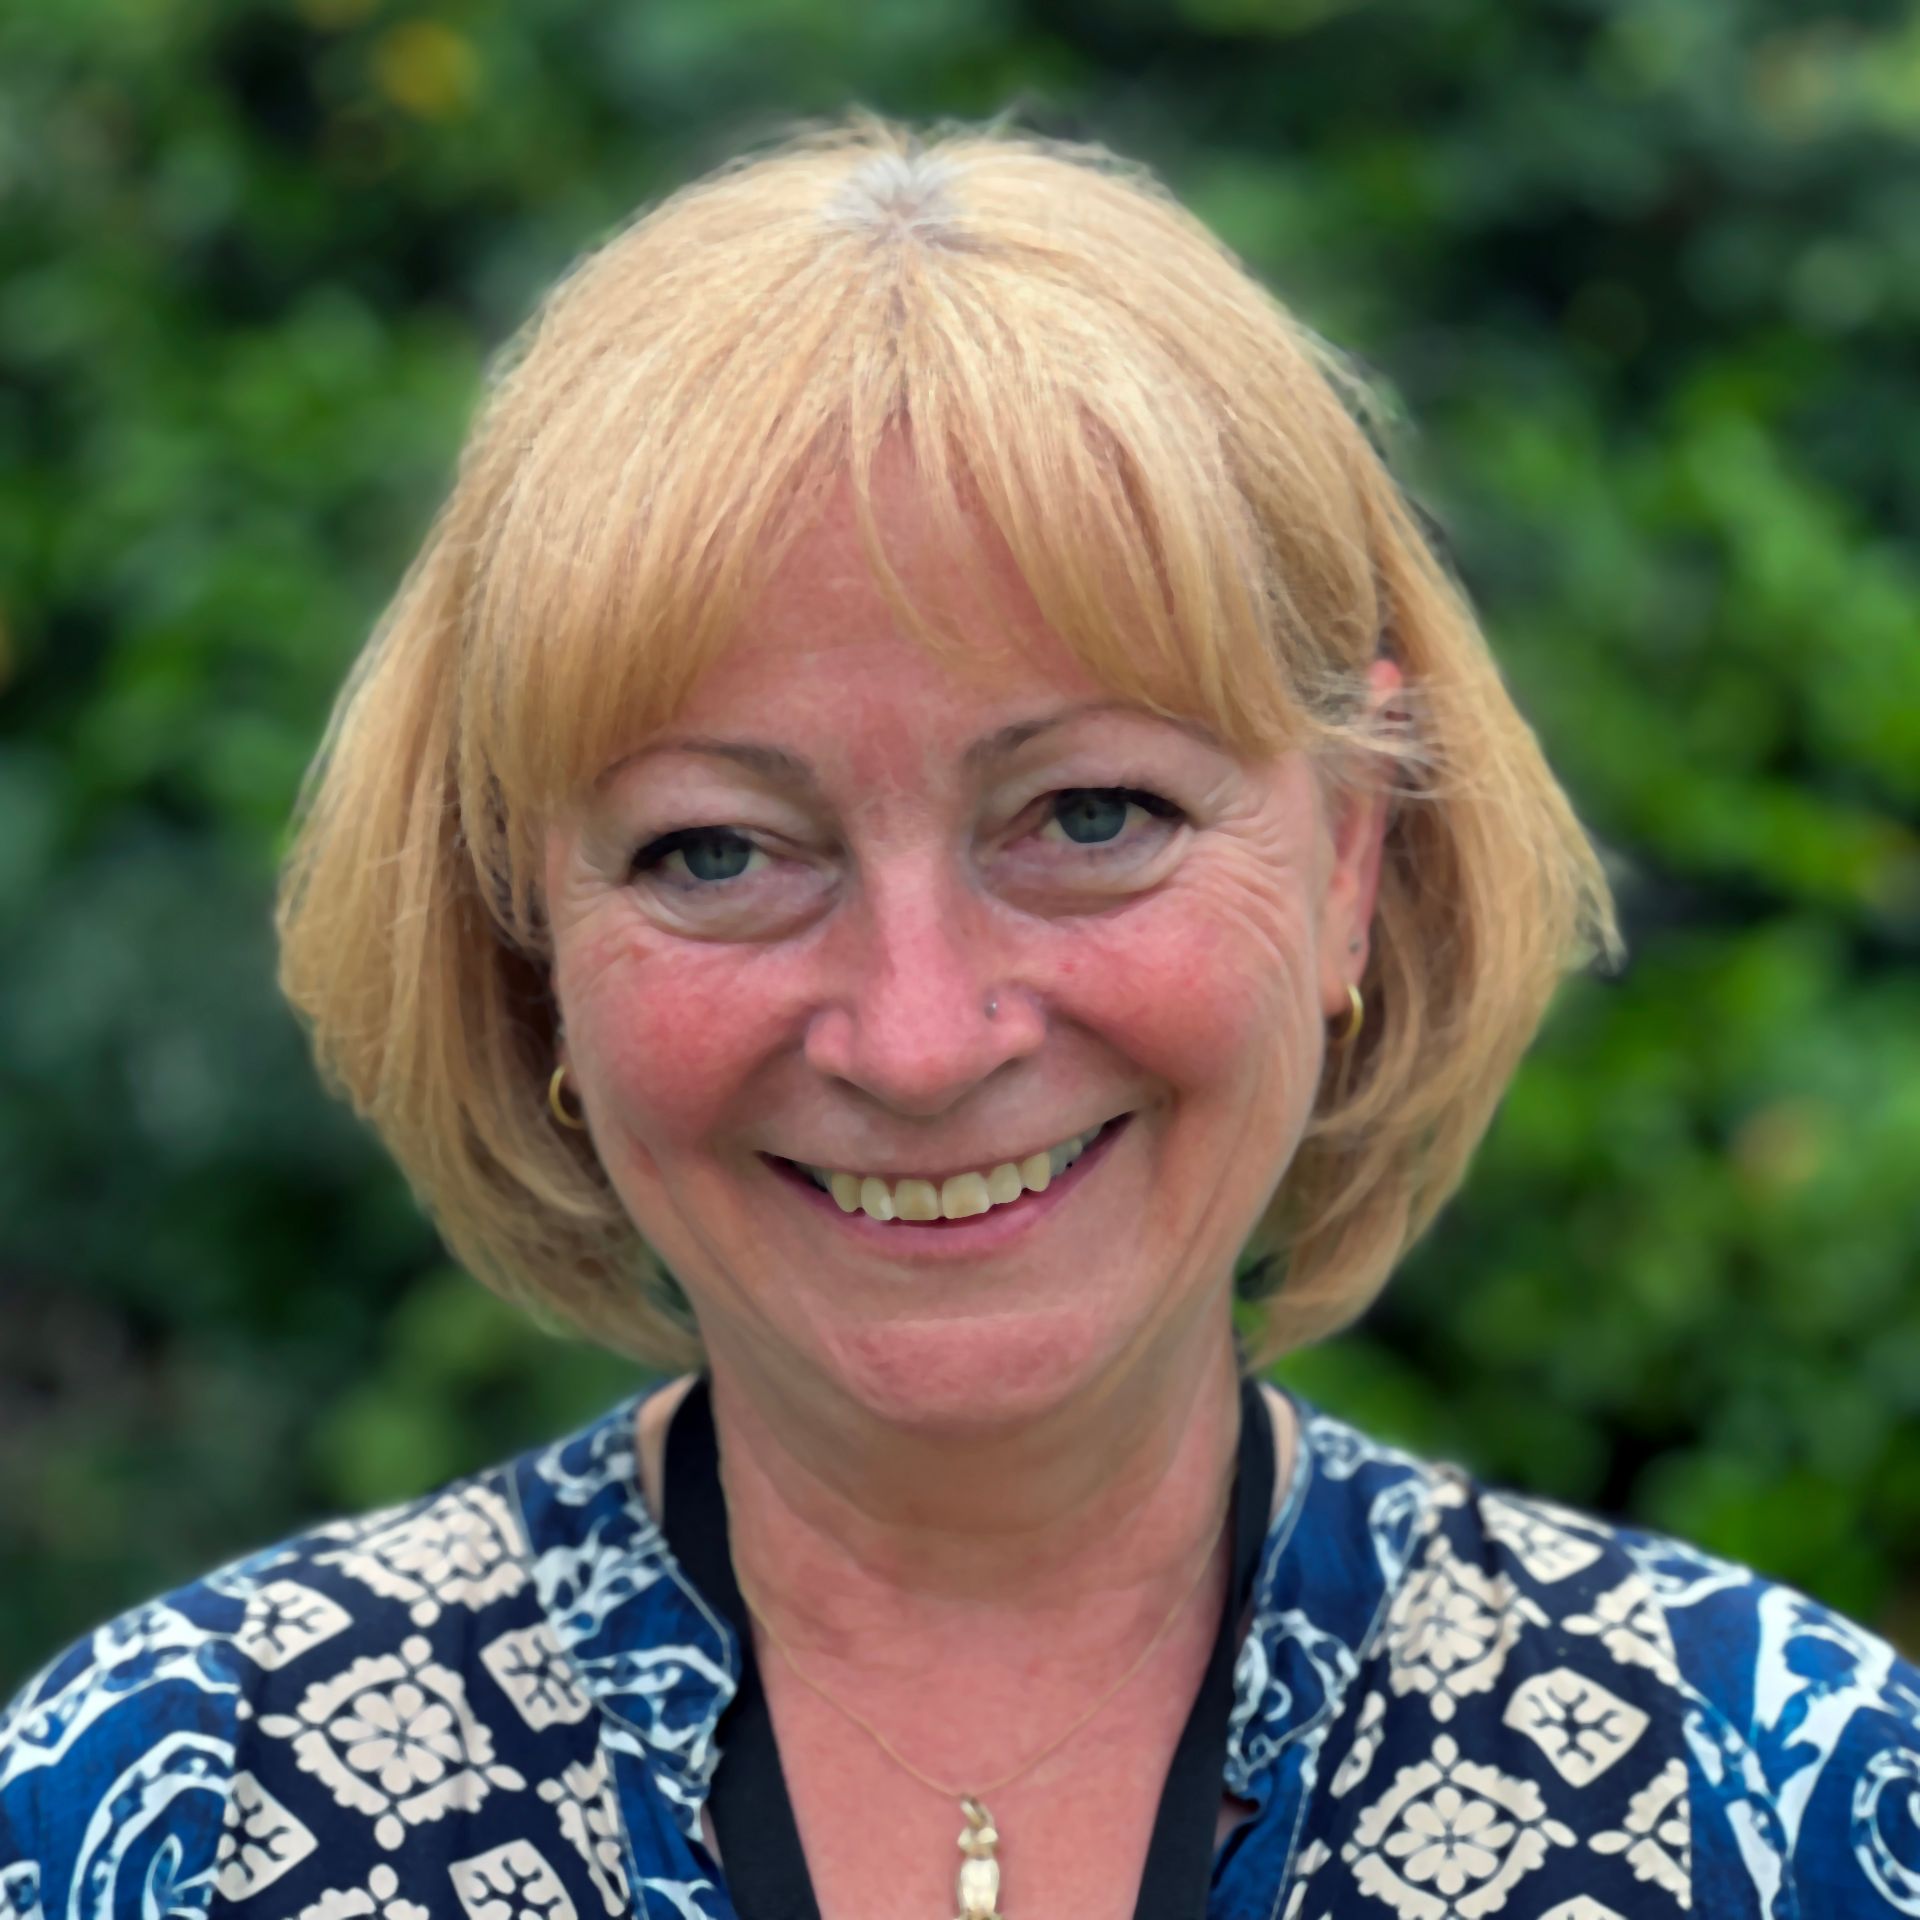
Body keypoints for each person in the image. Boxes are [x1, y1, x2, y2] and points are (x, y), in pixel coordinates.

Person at [2, 112, 1914, 1920]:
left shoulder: (1779, 1807)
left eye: (1092, 815)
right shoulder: (175, 1809)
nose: (919, 1041)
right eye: (719, 852)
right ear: (527, 936)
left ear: (1350, 850)